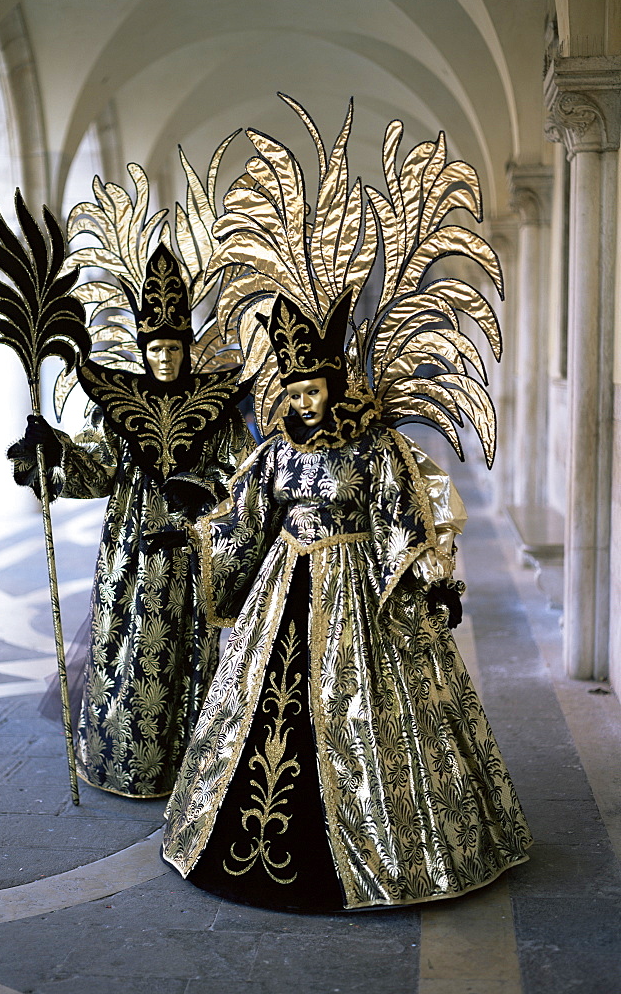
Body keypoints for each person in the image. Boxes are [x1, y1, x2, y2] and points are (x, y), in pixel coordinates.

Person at [162, 291, 532, 911]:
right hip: (283, 589)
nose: (302, 402)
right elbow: (249, 515)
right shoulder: (276, 451)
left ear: (335, 383)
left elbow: (403, 519)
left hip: (356, 593)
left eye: (312, 390)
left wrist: (433, 582)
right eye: (293, 390)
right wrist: (200, 528)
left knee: (366, 713)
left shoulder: (374, 448)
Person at [9, 243, 253, 798]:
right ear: (143, 349)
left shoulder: (214, 406)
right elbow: (95, 469)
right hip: (133, 556)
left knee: (196, 655)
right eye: (155, 348)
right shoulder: (121, 404)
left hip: (195, 554)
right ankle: (129, 766)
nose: (164, 358)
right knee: (129, 652)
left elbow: (244, 476)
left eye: (173, 346)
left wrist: (206, 490)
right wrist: (54, 454)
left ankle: (199, 770)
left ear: (187, 346)